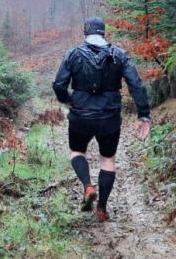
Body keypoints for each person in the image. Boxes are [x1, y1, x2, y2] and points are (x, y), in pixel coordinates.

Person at [52, 16, 151, 222]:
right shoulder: (119, 55)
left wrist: (69, 101)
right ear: (103, 33)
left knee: (77, 151)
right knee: (107, 159)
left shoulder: (72, 54)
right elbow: (136, 85)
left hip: (80, 116)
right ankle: (102, 209)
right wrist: (143, 115)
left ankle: (88, 186)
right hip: (109, 117)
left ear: (85, 33)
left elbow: (59, 85)